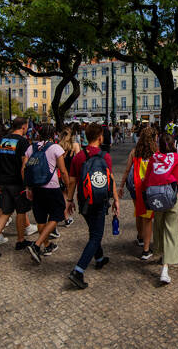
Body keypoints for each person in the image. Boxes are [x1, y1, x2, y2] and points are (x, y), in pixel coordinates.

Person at [66, 123, 121, 289]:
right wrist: (116, 200)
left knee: (94, 230)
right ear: (100, 137)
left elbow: (72, 181)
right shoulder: (105, 156)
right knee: (96, 236)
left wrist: (69, 201)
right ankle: (78, 270)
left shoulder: (78, 157)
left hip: (84, 201)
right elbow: (110, 180)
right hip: (99, 201)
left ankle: (99, 258)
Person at [142, 133, 178, 284]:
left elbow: (147, 179)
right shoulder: (177, 159)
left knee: (159, 227)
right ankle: (165, 268)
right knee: (172, 230)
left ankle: (162, 254)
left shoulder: (154, 158)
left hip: (156, 200)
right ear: (173, 145)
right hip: (171, 199)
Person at [0, 117, 34, 258]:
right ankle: (20, 240)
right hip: (17, 183)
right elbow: (24, 166)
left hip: (3, 181)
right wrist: (27, 185)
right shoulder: (23, 142)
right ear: (24, 127)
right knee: (20, 211)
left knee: (5, 212)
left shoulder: (3, 140)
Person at [24, 124, 68, 263]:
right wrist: (68, 185)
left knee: (41, 218)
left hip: (36, 187)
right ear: (53, 134)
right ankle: (37, 245)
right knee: (57, 214)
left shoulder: (31, 148)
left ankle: (47, 245)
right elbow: (63, 170)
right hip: (52, 186)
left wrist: (28, 188)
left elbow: (24, 168)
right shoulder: (56, 148)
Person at [118, 126, 157, 260]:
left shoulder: (135, 152)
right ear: (154, 138)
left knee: (139, 212)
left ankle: (140, 236)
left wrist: (121, 186)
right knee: (148, 218)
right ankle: (146, 247)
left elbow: (127, 170)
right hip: (149, 189)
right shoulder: (156, 153)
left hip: (135, 187)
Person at [57, 126, 81, 227]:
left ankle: (65, 217)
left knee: (63, 196)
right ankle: (66, 218)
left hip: (60, 174)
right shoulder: (75, 145)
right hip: (70, 174)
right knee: (68, 196)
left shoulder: (58, 146)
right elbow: (79, 159)